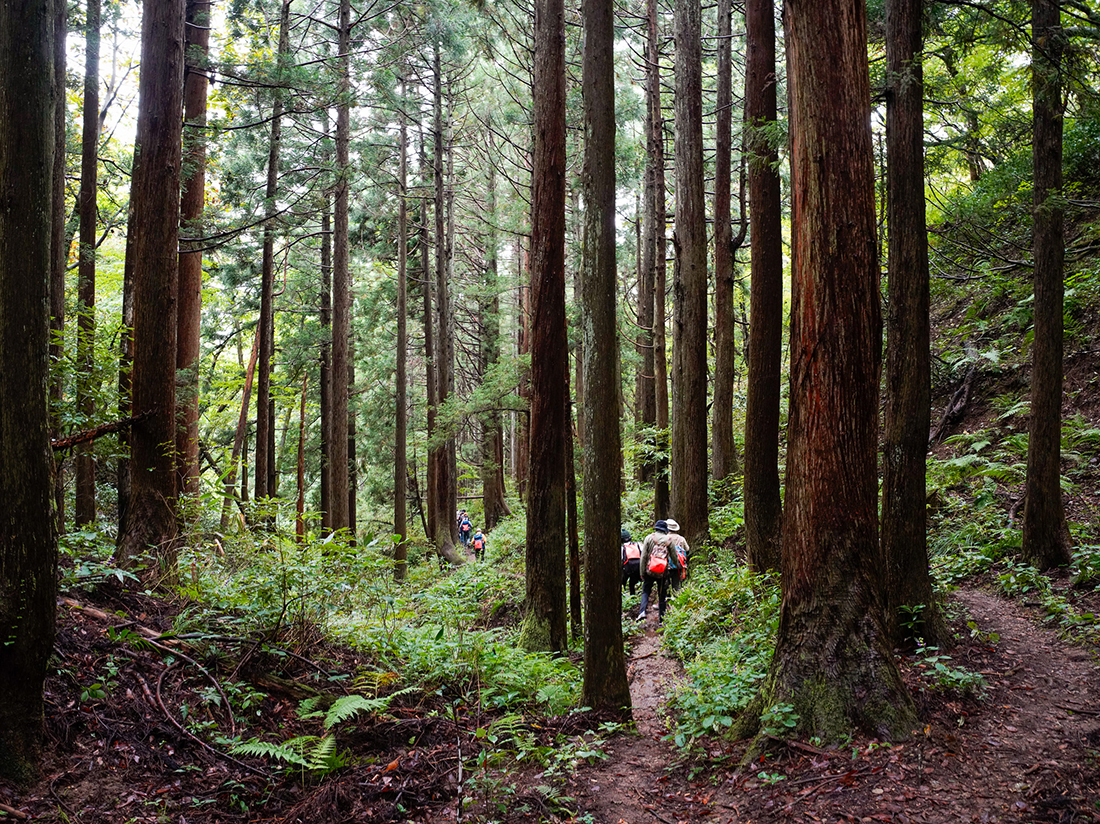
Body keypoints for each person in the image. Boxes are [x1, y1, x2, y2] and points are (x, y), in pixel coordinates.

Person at [638, 519, 681, 626]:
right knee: (662, 595)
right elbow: (674, 557)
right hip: (663, 572)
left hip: (649, 571)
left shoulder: (649, 538)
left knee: (645, 591)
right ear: (665, 530)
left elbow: (643, 557)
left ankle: (642, 611)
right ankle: (662, 620)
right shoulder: (669, 540)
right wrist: (678, 566)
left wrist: (642, 571)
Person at [664, 519, 690, 590]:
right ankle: (676, 598)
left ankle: (666, 597)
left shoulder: (665, 538)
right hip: (678, 565)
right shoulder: (681, 539)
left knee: (666, 583)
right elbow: (687, 550)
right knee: (676, 583)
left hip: (666, 564)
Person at [621, 528, 642, 596]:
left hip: (628, 568)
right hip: (638, 567)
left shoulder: (622, 548)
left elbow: (621, 559)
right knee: (632, 583)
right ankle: (634, 595)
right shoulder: (637, 544)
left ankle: (623, 594)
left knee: (623, 581)